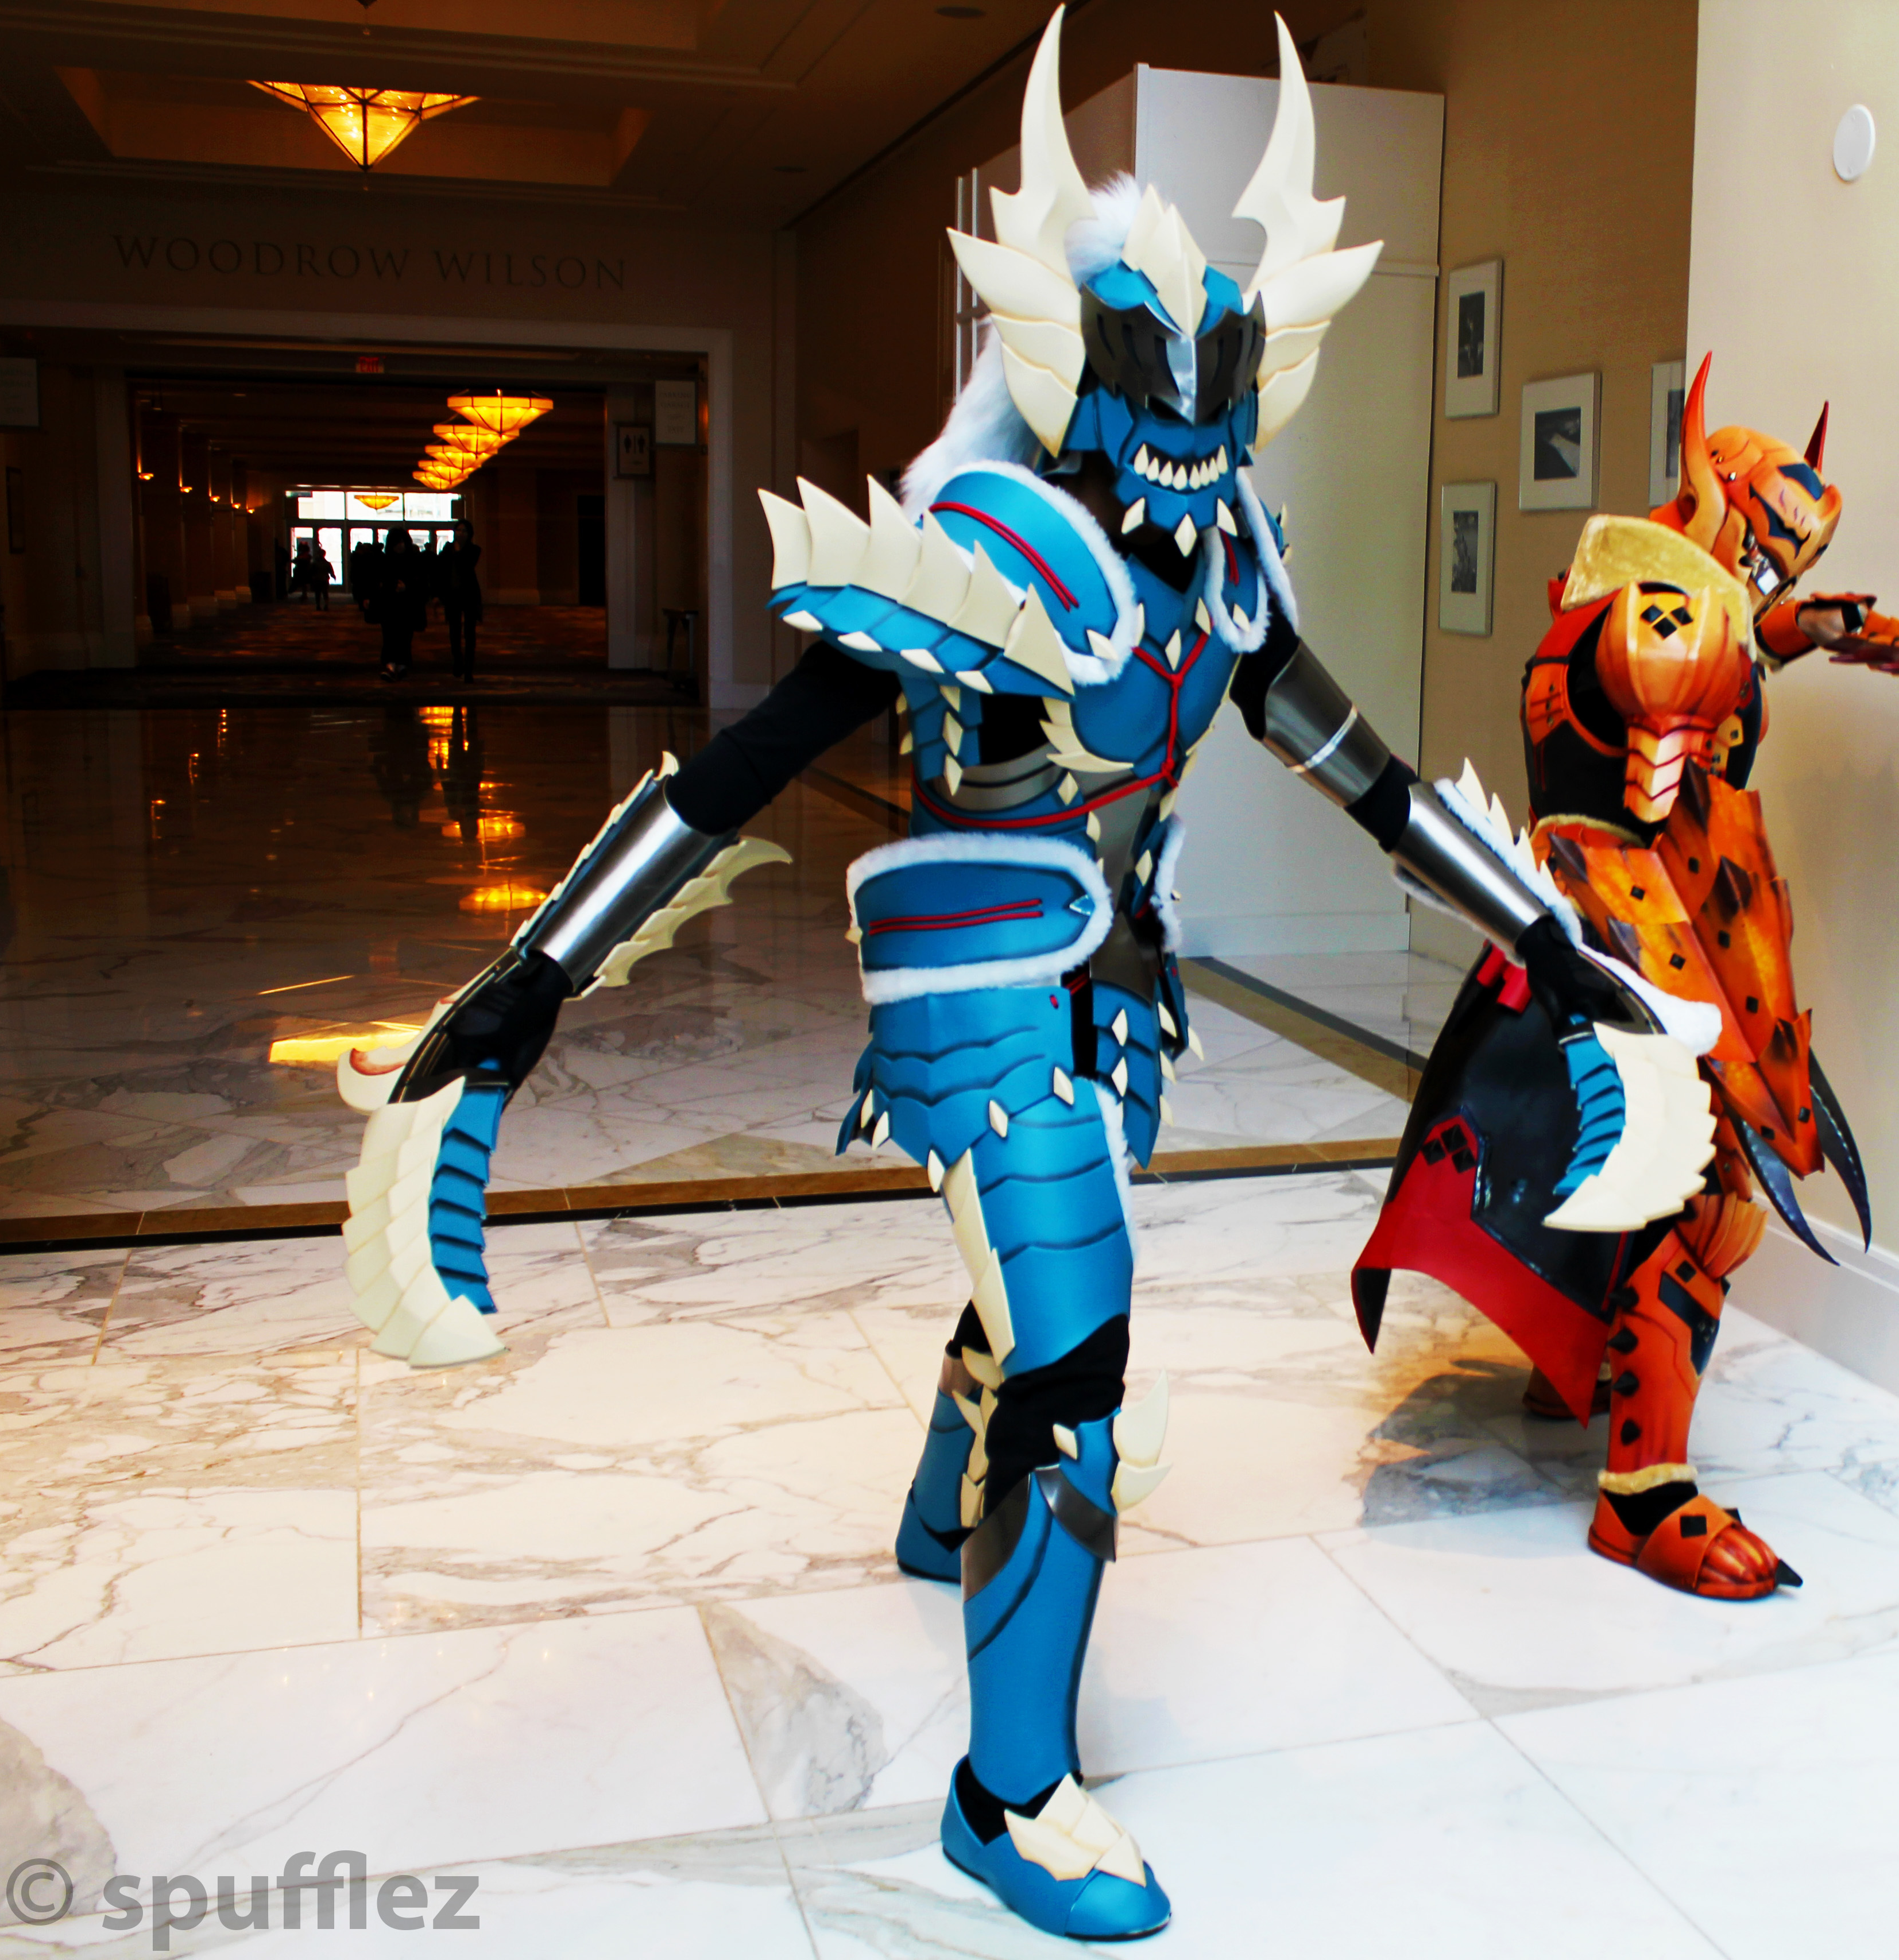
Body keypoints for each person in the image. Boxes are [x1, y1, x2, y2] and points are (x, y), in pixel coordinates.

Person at [328, 13, 1712, 1940]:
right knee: (1076, 1364)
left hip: (1119, 989)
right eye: (1157, 408)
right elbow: (742, 768)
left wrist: (1554, 939)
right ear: (1071, 381)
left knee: (1035, 1292)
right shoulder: (978, 551)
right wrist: (531, 979)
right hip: (973, 976)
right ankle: (1009, 1796)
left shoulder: (1225, 565)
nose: (1185, 459)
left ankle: (932, 1517)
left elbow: (1374, 785)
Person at [1352, 355, 1899, 1600]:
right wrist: (1731, 1040)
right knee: (1700, 1187)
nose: (1778, 582)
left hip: (1591, 915)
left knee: (1575, 1157)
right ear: (1723, 508)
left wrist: (1871, 643)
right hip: (1625, 918)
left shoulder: (1641, 603)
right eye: (1771, 552)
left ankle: (1579, 1368)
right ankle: (1643, 1494)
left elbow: (1749, 643)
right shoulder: (1664, 626)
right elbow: (1664, 806)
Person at [374, 525, 424, 680]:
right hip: (390, 604)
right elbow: (379, 581)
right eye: (396, 543)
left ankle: (402, 664)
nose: (400, 546)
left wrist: (407, 586)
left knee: (405, 635)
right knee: (390, 635)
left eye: (402, 542)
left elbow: (421, 582)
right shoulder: (386, 561)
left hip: (407, 604)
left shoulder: (413, 560)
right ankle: (391, 665)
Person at [440, 524, 484, 680]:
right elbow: (442, 569)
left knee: (470, 633)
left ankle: (469, 669)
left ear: (469, 533)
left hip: (469, 594)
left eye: (464, 531)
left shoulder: (474, 550)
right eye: (458, 530)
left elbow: (466, 565)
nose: (461, 533)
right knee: (454, 631)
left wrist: (457, 552)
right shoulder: (448, 548)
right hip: (453, 594)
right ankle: (458, 661)